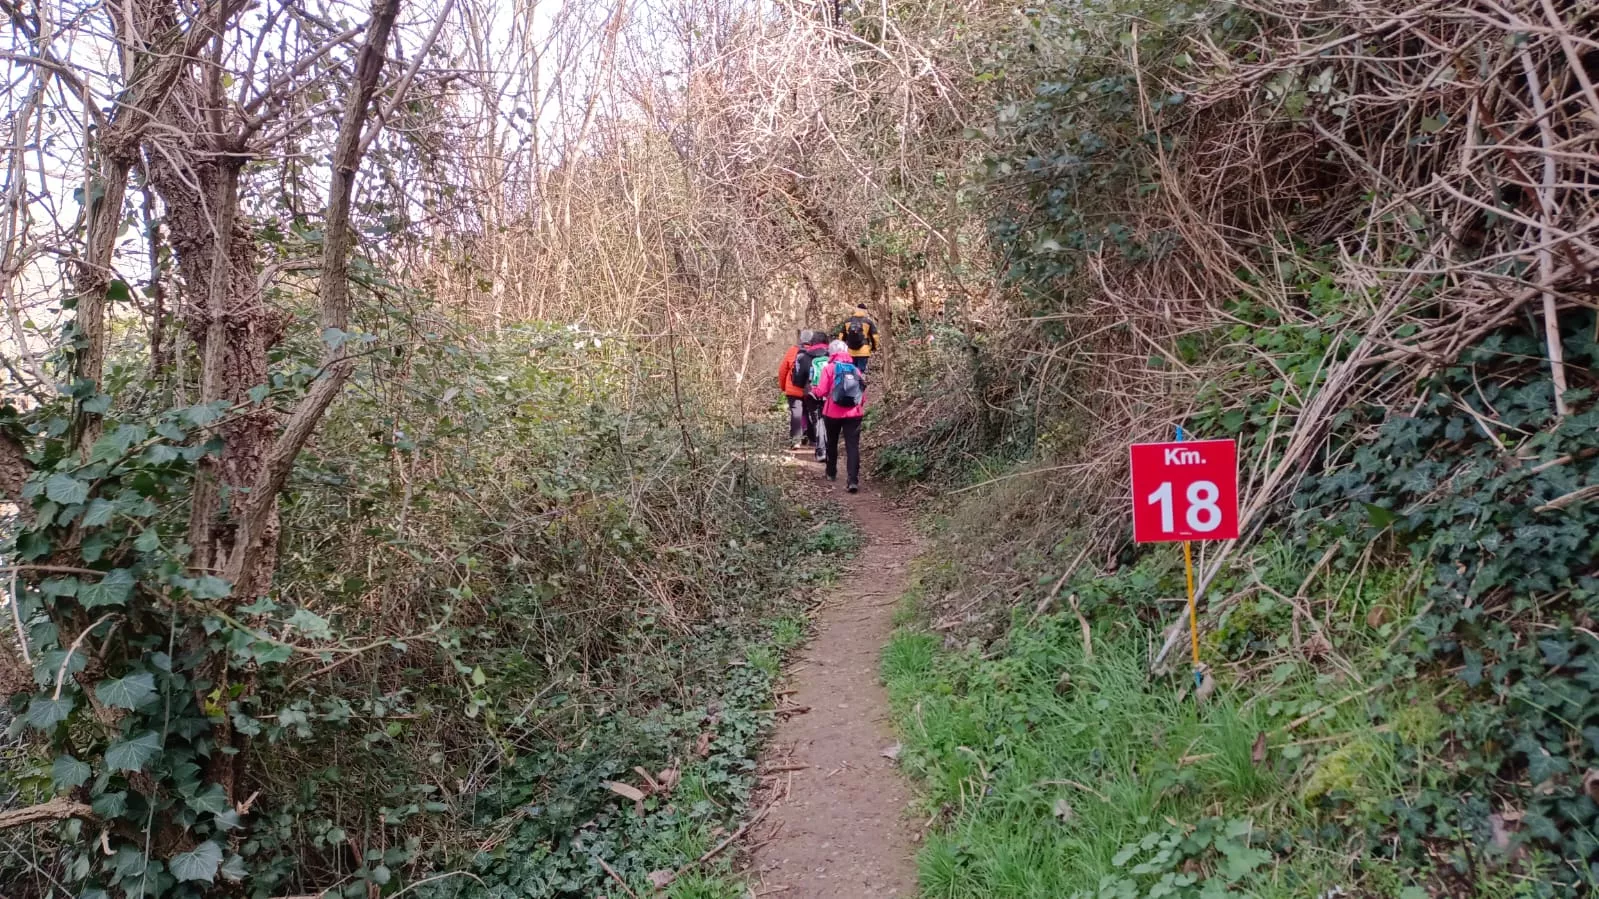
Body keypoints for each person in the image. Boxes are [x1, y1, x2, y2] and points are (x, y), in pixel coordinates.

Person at [814, 339, 867, 492]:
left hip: (832, 412)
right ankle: (853, 480)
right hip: (854, 413)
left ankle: (831, 472)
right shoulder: (855, 369)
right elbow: (862, 396)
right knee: (852, 446)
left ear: (831, 353)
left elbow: (821, 391)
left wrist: (814, 390)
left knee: (832, 442)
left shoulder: (829, 368)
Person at [778, 330, 821, 448]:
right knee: (811, 412)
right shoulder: (816, 352)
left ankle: (795, 441)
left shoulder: (793, 350)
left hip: (793, 388)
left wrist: (783, 386)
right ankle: (813, 440)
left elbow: (783, 370)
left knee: (796, 413)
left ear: (801, 339)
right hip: (810, 389)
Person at [835, 303, 880, 373]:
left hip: (850, 351)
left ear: (856, 310)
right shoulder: (868, 322)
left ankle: (853, 380)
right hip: (863, 351)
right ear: (865, 311)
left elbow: (841, 336)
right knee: (860, 372)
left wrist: (843, 348)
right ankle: (859, 379)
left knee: (851, 372)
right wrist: (874, 347)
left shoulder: (847, 321)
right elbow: (875, 337)